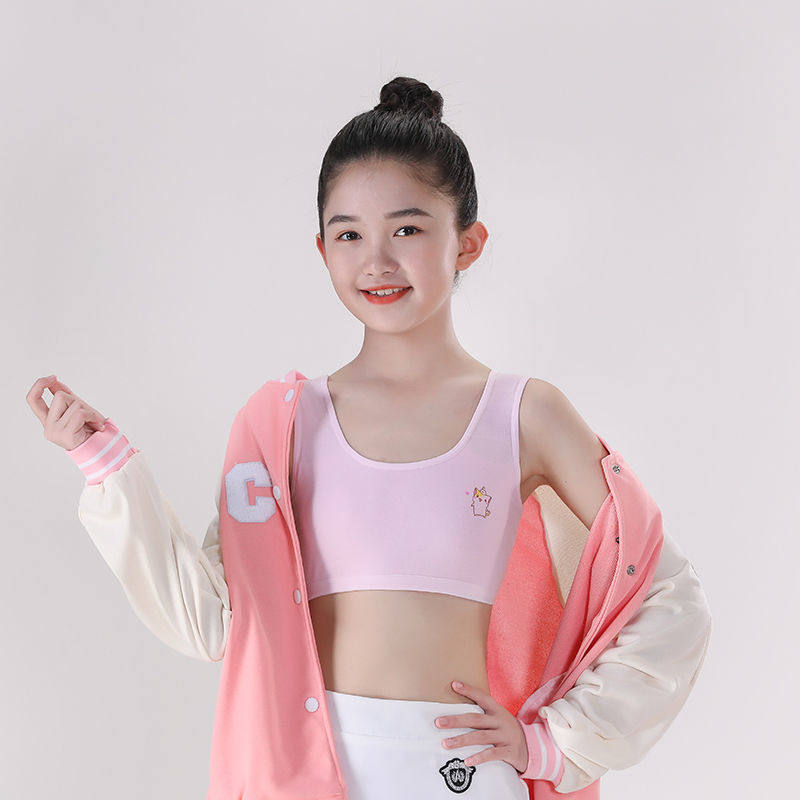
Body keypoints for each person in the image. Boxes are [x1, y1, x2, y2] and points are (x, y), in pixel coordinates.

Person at [28, 76, 712, 800]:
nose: (377, 261)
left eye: (407, 230)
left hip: (460, 773)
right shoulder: (283, 424)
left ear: (468, 243)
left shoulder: (524, 415)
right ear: (322, 249)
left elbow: (666, 591)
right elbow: (218, 623)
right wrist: (107, 467)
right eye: (349, 233)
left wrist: (551, 743)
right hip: (306, 772)